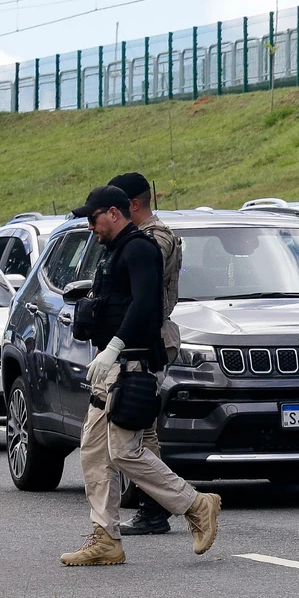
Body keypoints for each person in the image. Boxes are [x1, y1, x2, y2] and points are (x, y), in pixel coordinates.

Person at [60, 185, 221, 566]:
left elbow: (146, 303)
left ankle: (197, 504)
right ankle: (106, 539)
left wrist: (115, 346)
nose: (90, 226)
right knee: (95, 452)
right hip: (110, 366)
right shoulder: (114, 252)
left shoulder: (139, 248)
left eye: (94, 218)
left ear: (114, 213)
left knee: (125, 451)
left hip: (130, 365)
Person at [106, 172, 182, 537]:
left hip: (149, 339)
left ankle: (158, 507)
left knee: (142, 429)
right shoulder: (139, 239)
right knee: (137, 429)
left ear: (132, 205)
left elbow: (144, 293)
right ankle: (154, 505)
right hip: (137, 339)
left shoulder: (152, 239)